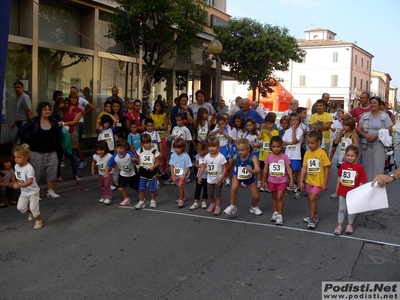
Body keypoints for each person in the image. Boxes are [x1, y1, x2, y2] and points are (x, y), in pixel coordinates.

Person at [16, 101, 62, 198]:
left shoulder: (53, 120)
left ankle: (50, 191)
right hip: (37, 152)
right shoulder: (34, 121)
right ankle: (34, 193)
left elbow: (58, 132)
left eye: (49, 110)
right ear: (40, 111)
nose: (47, 111)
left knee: (52, 171)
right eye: (45, 110)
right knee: (36, 173)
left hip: (51, 151)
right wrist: (25, 142)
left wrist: (58, 140)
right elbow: (22, 130)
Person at [299, 130, 331, 229]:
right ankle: (314, 215)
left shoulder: (322, 153)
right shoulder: (307, 153)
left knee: (312, 198)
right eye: (308, 143)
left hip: (318, 181)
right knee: (310, 199)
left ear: (319, 142)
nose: (310, 145)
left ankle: (312, 218)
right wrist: (301, 181)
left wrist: (325, 183)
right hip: (309, 180)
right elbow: (304, 167)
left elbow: (327, 168)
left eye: (312, 143)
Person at [333, 145, 367, 235]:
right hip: (343, 190)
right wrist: (337, 188)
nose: (350, 158)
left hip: (353, 192)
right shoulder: (343, 165)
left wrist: (359, 192)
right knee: (341, 209)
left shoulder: (359, 167)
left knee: (351, 209)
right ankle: (339, 225)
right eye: (348, 155)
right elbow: (339, 177)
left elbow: (361, 181)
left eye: (352, 156)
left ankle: (350, 224)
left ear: (357, 156)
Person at [357, 96, 393, 180]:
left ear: (379, 105)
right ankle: (368, 186)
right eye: (371, 103)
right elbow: (359, 129)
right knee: (367, 165)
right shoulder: (365, 116)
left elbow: (389, 129)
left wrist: (376, 135)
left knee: (378, 165)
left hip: (379, 143)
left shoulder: (385, 116)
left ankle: (378, 185)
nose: (372, 105)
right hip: (366, 143)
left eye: (375, 103)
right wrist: (365, 135)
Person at [223, 138, 261, 216]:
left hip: (249, 176)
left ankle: (254, 207)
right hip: (237, 174)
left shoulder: (253, 157)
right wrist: (227, 170)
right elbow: (230, 163)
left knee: (256, 196)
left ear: (248, 149)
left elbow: (258, 170)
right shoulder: (236, 156)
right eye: (238, 150)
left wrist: (252, 170)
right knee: (234, 187)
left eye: (242, 150)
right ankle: (232, 206)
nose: (240, 152)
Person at [262, 136, 294, 225]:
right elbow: (265, 169)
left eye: (278, 146)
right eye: (274, 147)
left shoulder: (285, 157)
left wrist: (291, 180)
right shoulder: (269, 157)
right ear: (271, 147)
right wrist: (263, 181)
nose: (276, 149)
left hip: (282, 180)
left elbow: (289, 169)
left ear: (282, 146)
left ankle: (280, 215)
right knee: (274, 197)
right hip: (272, 180)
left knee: (280, 197)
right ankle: (275, 211)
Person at [12, 144, 43, 230]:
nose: (16, 159)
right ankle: (31, 213)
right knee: (20, 208)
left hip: (33, 191)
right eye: (15, 157)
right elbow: (19, 177)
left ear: (26, 157)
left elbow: (30, 181)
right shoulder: (16, 166)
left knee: (34, 208)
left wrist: (19, 185)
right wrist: (15, 182)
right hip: (24, 192)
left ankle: (39, 221)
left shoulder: (29, 168)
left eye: (18, 157)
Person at [329, 117, 359, 199]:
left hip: (349, 159)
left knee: (349, 176)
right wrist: (340, 132)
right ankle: (338, 191)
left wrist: (349, 156)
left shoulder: (353, 135)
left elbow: (356, 147)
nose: (344, 127)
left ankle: (350, 191)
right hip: (341, 158)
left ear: (351, 126)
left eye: (346, 125)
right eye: (344, 125)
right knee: (340, 176)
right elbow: (336, 142)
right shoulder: (342, 134)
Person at [104, 138, 139, 206]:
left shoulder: (129, 154)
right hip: (123, 174)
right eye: (118, 148)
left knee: (136, 187)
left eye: (121, 148)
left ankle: (141, 197)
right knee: (120, 188)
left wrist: (135, 160)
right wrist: (106, 173)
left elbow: (137, 162)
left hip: (132, 174)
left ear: (125, 148)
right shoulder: (115, 156)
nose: (119, 150)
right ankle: (126, 199)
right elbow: (108, 165)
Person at [197, 137, 227, 215]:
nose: (212, 148)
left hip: (218, 179)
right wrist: (199, 176)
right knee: (210, 194)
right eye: (210, 146)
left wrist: (221, 178)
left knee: (217, 194)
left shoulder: (221, 157)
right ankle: (212, 204)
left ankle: (218, 207)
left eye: (214, 146)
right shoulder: (207, 157)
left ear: (218, 146)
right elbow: (203, 166)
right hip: (209, 179)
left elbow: (224, 169)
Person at [133, 134, 160, 209]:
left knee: (152, 188)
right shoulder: (140, 150)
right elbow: (138, 162)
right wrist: (135, 161)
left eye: (149, 142)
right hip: (143, 170)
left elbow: (158, 162)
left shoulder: (155, 151)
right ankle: (141, 202)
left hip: (152, 171)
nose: (148, 144)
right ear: (142, 143)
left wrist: (153, 166)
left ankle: (153, 201)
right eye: (145, 143)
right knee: (141, 188)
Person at [70, 86, 95, 169]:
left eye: (74, 91)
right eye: (71, 92)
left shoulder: (81, 100)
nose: (73, 93)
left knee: (78, 141)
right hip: (71, 123)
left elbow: (92, 107)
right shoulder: (70, 101)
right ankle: (76, 158)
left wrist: (85, 113)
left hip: (79, 122)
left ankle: (81, 159)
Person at [62, 91, 83, 183]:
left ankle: (76, 174)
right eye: (72, 98)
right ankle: (58, 175)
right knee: (61, 152)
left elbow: (75, 122)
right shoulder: (65, 109)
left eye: (75, 98)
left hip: (72, 133)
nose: (74, 99)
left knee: (73, 154)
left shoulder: (79, 110)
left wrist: (63, 123)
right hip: (63, 132)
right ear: (69, 98)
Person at [282, 113, 303, 199]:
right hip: (288, 155)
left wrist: (294, 130)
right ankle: (287, 186)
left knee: (297, 172)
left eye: (296, 120)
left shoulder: (300, 130)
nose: (294, 122)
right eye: (293, 120)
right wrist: (290, 142)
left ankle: (299, 188)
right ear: (290, 121)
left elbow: (295, 141)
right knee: (287, 171)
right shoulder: (287, 131)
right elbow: (283, 142)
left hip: (296, 155)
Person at [169, 138, 193, 207]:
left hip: (183, 174)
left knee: (180, 185)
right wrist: (173, 175)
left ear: (183, 148)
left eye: (178, 148)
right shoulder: (173, 155)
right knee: (180, 187)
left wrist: (185, 175)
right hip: (176, 174)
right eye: (175, 147)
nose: (176, 149)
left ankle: (181, 200)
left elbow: (188, 166)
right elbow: (171, 165)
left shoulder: (186, 156)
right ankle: (182, 197)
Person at [209, 116, 233, 186]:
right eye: (220, 124)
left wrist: (224, 134)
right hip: (217, 148)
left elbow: (231, 139)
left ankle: (227, 178)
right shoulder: (217, 128)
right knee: (217, 162)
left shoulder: (228, 129)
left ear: (226, 123)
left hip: (224, 148)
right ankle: (218, 177)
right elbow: (210, 134)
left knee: (226, 164)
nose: (221, 125)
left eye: (223, 124)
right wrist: (217, 131)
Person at [258, 114, 280, 189]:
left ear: (273, 124)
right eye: (267, 124)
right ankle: (261, 182)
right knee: (262, 168)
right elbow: (259, 138)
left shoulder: (275, 132)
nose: (268, 125)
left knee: (268, 169)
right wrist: (261, 129)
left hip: (270, 154)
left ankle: (268, 182)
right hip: (263, 153)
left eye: (270, 124)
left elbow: (275, 141)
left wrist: (269, 134)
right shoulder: (264, 131)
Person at [149, 99, 169, 178]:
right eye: (157, 106)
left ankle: (163, 172)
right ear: (155, 106)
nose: (158, 108)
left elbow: (166, 127)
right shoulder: (151, 115)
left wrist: (157, 128)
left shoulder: (164, 115)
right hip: (153, 137)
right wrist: (160, 127)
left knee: (163, 155)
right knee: (153, 155)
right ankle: (154, 171)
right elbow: (150, 127)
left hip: (162, 136)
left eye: (160, 106)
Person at [10, 81, 33, 148]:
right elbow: (20, 112)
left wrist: (31, 124)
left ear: (23, 88)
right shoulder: (19, 97)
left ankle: (14, 158)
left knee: (16, 143)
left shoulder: (24, 97)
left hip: (24, 123)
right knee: (21, 143)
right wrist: (14, 122)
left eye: (19, 87)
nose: (17, 89)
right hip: (20, 123)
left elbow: (28, 111)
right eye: (15, 87)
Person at [91, 141, 113, 205]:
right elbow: (93, 162)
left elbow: (112, 164)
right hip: (101, 173)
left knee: (107, 185)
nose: (99, 152)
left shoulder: (109, 156)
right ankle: (104, 196)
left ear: (105, 149)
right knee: (102, 185)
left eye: (101, 150)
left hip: (108, 173)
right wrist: (92, 169)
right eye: (98, 150)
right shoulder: (96, 156)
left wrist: (109, 170)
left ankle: (108, 197)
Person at [243, 118, 261, 188]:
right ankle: (246, 179)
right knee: (248, 166)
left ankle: (259, 182)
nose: (249, 127)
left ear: (254, 125)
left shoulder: (258, 133)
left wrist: (253, 145)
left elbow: (260, 143)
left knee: (257, 167)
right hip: (249, 154)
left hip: (257, 152)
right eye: (247, 125)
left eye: (250, 125)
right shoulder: (245, 134)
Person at [190, 141, 208, 210]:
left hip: (207, 176)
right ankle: (195, 202)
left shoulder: (208, 156)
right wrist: (198, 166)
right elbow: (196, 164)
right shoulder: (197, 156)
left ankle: (204, 201)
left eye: (200, 151)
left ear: (205, 150)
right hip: (199, 175)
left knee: (206, 190)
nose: (199, 153)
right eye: (198, 151)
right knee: (198, 189)